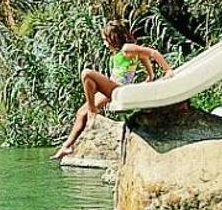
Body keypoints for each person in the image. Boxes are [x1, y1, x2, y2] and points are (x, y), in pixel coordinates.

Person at [51, 20, 175, 160]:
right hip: (112, 86)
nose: (105, 43)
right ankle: (67, 146)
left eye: (105, 39)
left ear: (113, 38)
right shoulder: (119, 52)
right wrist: (150, 75)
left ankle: (93, 111)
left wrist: (168, 70)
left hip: (118, 88)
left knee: (86, 74)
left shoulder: (127, 48)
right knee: (81, 113)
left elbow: (151, 53)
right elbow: (143, 57)